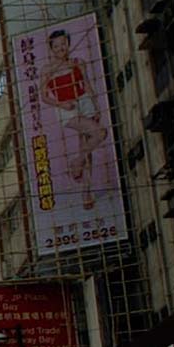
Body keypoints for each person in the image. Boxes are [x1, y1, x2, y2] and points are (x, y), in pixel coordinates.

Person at [39, 27, 108, 211]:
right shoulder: (47, 70)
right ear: (51, 49)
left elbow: (86, 84)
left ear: (68, 43)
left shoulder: (78, 62)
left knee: (86, 145)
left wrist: (96, 105)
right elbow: (44, 96)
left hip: (84, 102)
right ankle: (76, 163)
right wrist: (61, 105)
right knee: (100, 133)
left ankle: (86, 192)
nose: (61, 48)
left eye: (64, 44)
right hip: (67, 108)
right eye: (57, 46)